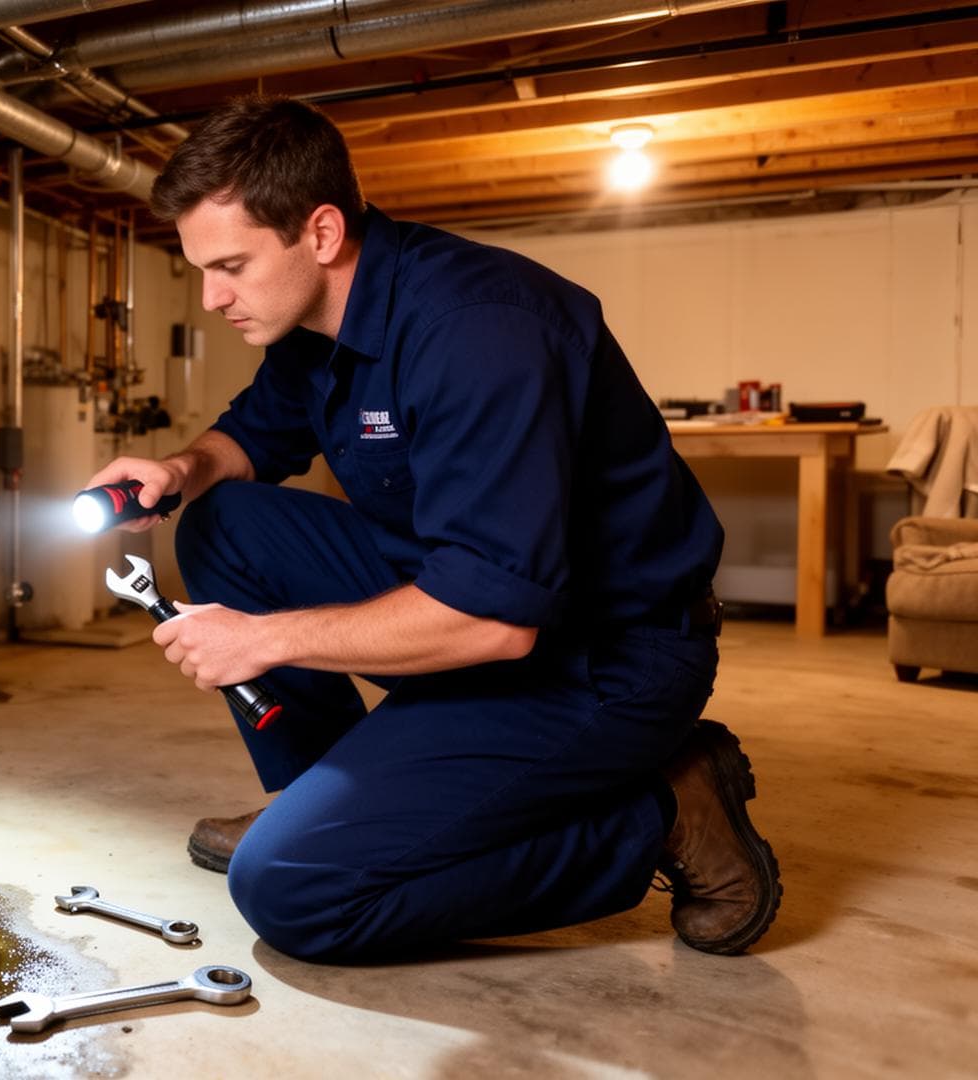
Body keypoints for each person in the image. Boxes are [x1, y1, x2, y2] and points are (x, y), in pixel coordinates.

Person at [86, 96, 781, 961]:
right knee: (223, 522)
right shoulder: (315, 317)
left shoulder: (479, 330)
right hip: (466, 598)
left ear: (323, 230)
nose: (212, 296)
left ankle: (666, 814)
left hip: (605, 656)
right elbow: (256, 433)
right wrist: (179, 470)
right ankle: (332, 797)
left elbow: (494, 616)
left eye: (229, 265)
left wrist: (260, 640)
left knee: (293, 890)